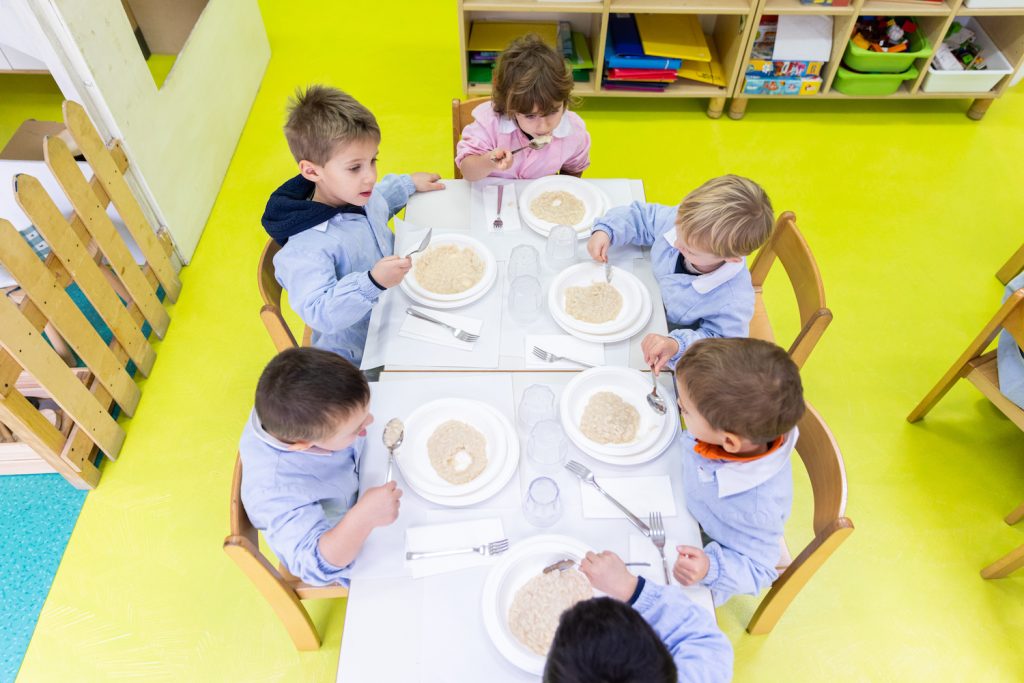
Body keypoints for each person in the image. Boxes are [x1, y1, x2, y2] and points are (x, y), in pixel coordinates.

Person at [261, 85, 444, 366]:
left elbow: (379, 200)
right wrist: (372, 283)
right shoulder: (305, 249)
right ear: (312, 171)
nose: (370, 176)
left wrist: (407, 184)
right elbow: (319, 311)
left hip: (395, 307)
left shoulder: (352, 192)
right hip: (360, 354)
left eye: (373, 160)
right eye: (355, 167)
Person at [238, 347, 401, 585]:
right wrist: (363, 517)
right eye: (357, 428)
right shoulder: (275, 492)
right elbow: (316, 565)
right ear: (303, 445)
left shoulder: (295, 407)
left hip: (362, 481)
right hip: (351, 544)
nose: (371, 421)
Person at [587, 175, 775, 372]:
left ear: (731, 258)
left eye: (690, 250)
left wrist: (678, 345)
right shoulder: (688, 222)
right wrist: (607, 230)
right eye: (678, 233)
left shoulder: (732, 300)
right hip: (644, 292)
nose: (676, 244)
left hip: (663, 334)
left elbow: (722, 345)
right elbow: (641, 218)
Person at [456, 34, 590, 181]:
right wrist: (489, 161)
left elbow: (574, 170)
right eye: (530, 116)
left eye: (552, 112)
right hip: (490, 198)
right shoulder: (489, 124)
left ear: (564, 101)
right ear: (510, 108)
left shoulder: (574, 132)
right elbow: (467, 171)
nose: (544, 126)